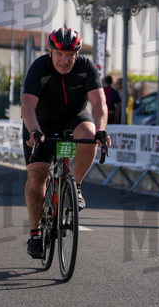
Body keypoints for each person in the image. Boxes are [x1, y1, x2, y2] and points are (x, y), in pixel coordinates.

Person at [21, 27, 110, 258]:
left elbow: (99, 103)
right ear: (50, 51)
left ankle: (76, 186)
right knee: (38, 174)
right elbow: (28, 105)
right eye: (59, 54)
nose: (65, 60)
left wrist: (101, 130)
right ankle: (35, 233)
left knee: (89, 135)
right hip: (41, 123)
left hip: (73, 120)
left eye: (70, 54)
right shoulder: (39, 67)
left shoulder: (86, 68)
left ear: (77, 52)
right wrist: (34, 130)